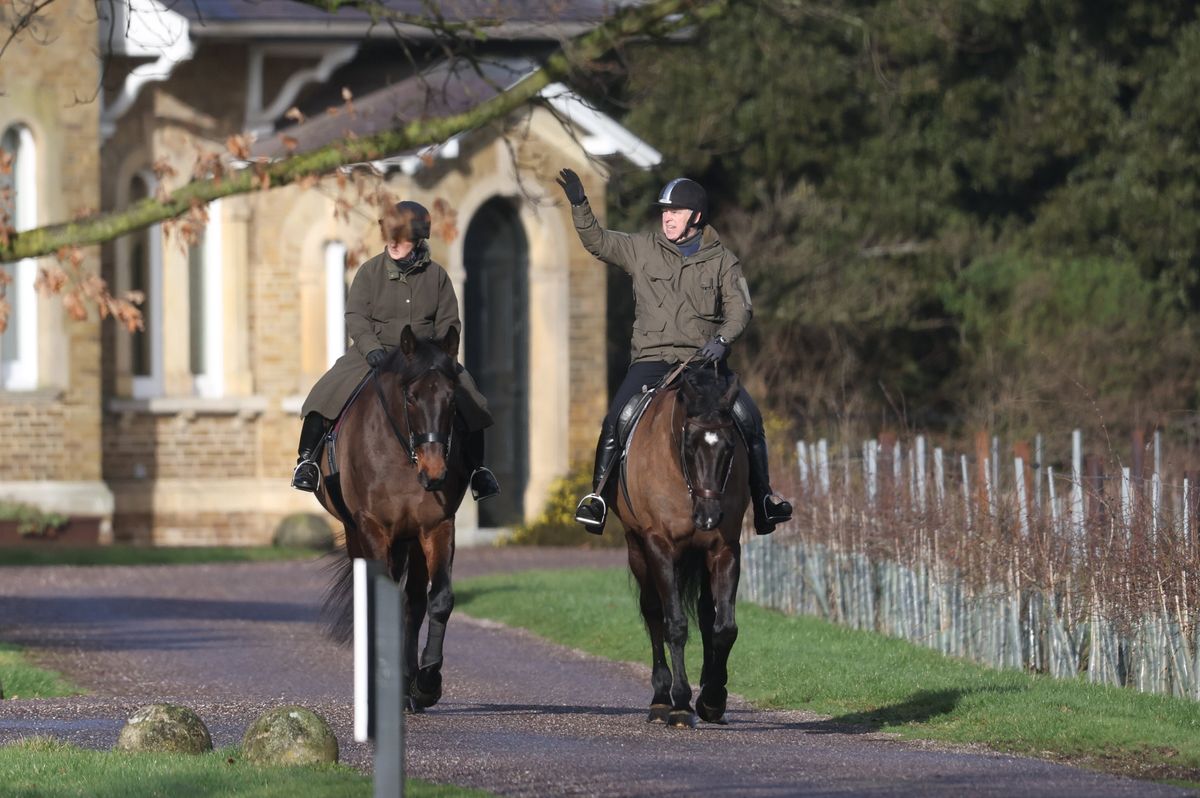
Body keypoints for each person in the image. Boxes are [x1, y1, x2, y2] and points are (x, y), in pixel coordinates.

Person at [555, 169, 792, 535]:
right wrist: (580, 204)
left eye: (676, 211)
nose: (667, 217)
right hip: (652, 360)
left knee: (749, 418)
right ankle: (597, 498)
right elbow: (598, 242)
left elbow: (740, 309)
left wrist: (723, 340)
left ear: (695, 217)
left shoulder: (723, 261)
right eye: (665, 211)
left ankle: (764, 499)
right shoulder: (641, 249)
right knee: (615, 418)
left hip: (704, 363)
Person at [291, 200, 500, 501]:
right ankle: (307, 462)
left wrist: (435, 356)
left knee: (471, 398)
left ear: (417, 241)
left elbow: (449, 322)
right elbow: (356, 317)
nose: (393, 242)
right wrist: (372, 349)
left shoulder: (437, 276)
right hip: (374, 353)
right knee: (326, 391)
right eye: (391, 234)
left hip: (426, 359)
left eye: (400, 237)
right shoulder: (369, 272)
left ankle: (479, 471)